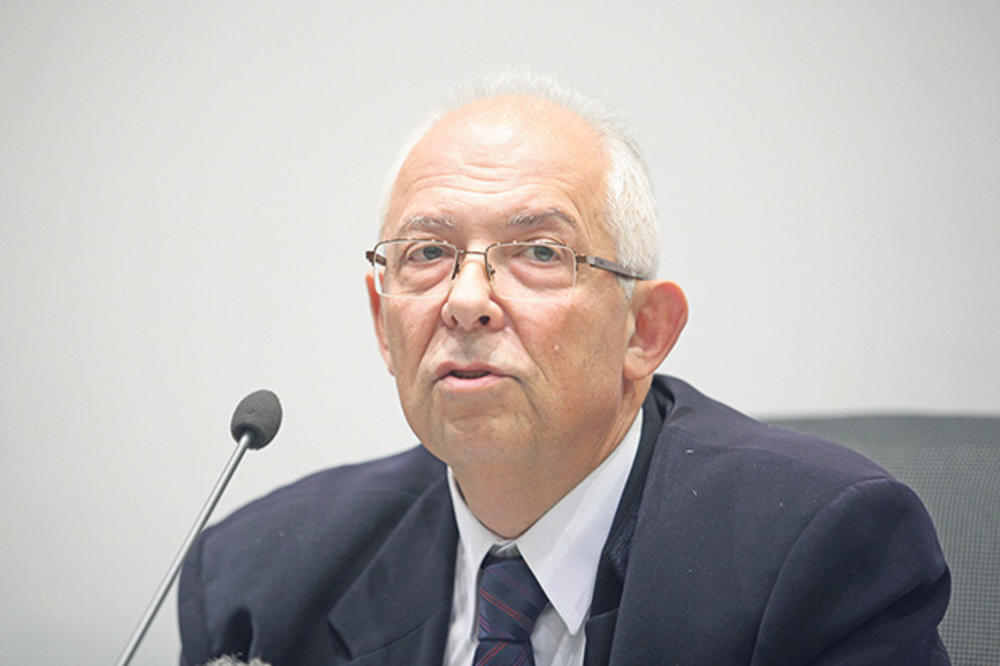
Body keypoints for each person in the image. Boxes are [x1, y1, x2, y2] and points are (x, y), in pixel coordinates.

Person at [178, 72, 951, 665]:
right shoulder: (254, 578)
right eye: (428, 253)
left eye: (541, 252)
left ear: (645, 330)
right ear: (384, 324)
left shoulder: (822, 552)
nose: (466, 301)